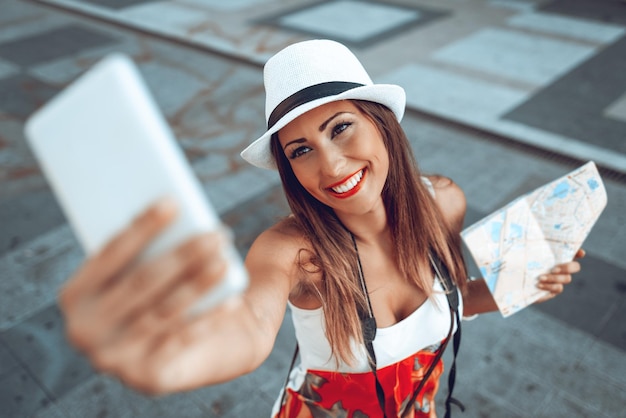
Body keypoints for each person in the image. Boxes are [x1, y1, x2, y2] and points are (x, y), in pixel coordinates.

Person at [59, 40, 583, 417]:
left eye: (341, 127)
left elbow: (450, 300)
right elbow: (248, 329)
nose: (331, 167)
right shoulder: (292, 252)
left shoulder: (443, 202)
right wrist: (185, 356)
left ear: (382, 122)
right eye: (302, 150)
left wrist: (511, 287)